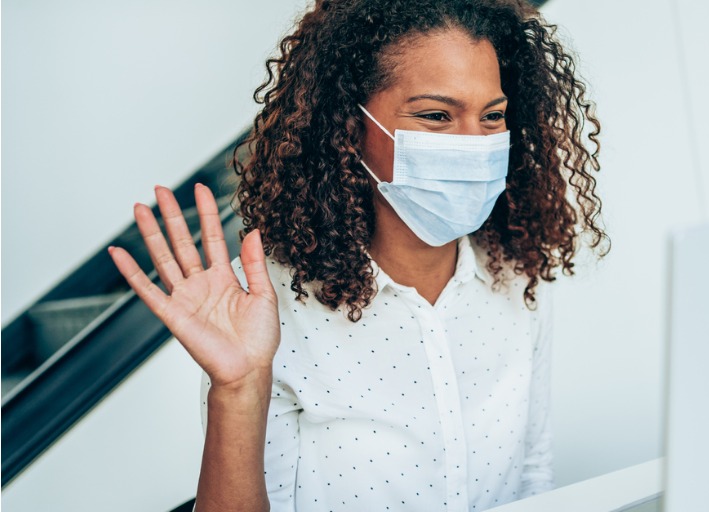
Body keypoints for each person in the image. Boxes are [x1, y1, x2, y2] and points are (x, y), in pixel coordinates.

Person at [108, 0, 607, 510]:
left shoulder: (516, 276)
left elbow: (531, 475)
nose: (473, 144)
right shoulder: (267, 307)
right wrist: (237, 389)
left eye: (493, 116)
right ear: (351, 124)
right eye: (436, 115)